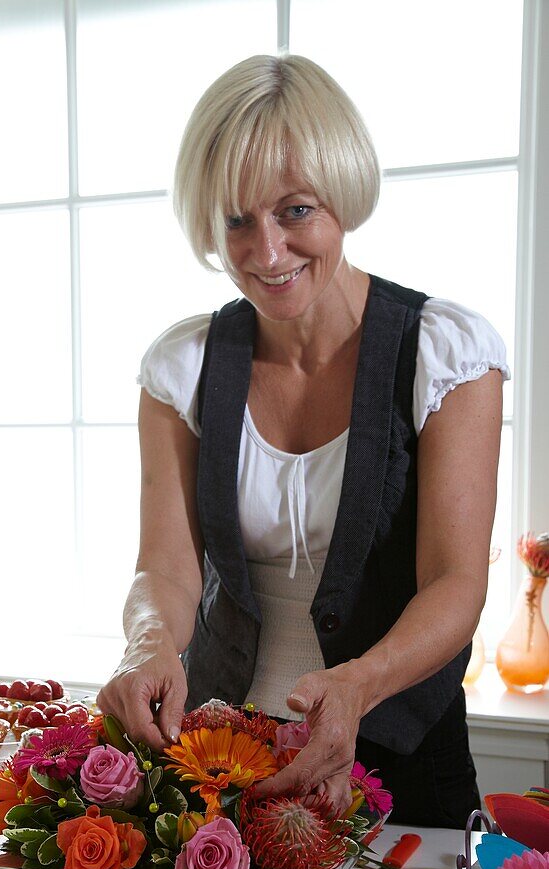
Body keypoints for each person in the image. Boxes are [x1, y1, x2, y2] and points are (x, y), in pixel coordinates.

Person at [97, 54, 507, 828]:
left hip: (400, 764)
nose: (264, 252)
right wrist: (146, 644)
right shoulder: (181, 368)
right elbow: (166, 568)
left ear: (342, 195)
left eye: (294, 211)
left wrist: (356, 685)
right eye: (235, 220)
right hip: (220, 762)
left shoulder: (444, 354)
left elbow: (455, 582)